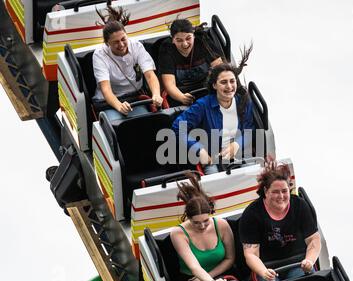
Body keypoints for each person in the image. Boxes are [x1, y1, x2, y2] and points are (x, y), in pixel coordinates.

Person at [171, 46, 255, 175]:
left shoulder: (243, 102)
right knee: (214, 185)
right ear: (214, 85)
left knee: (253, 176)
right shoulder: (203, 105)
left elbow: (249, 131)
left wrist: (237, 145)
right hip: (213, 159)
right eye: (223, 82)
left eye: (232, 81)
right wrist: (199, 150)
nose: (229, 86)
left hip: (240, 153)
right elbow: (178, 127)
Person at [239, 160, 321, 281]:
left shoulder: (300, 206)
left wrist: (309, 261)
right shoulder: (252, 213)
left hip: (298, 263)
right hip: (268, 267)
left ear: (289, 189)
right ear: (266, 191)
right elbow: (251, 254)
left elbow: (314, 240)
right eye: (275, 192)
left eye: (284, 191)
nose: (281, 196)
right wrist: (263, 271)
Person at [170, 173, 235, 281]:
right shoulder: (178, 233)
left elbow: (230, 259)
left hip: (220, 275)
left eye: (206, 221)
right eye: (196, 223)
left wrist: (210, 278)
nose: (202, 226)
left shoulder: (222, 225)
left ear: (210, 213)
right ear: (188, 218)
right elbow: (194, 267)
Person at [92, 6, 163, 119]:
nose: (121, 45)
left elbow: (150, 75)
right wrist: (119, 106)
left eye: (123, 39)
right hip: (109, 102)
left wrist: (156, 94)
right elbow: (106, 89)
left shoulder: (137, 46)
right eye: (115, 42)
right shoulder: (99, 55)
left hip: (134, 97)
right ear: (107, 43)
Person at [158, 19, 223, 106]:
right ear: (172, 40)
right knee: (182, 119)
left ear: (194, 36)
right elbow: (169, 84)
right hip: (180, 94)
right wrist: (182, 97)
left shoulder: (202, 40)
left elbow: (220, 70)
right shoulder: (167, 49)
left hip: (207, 88)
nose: (185, 44)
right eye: (179, 40)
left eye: (188, 38)